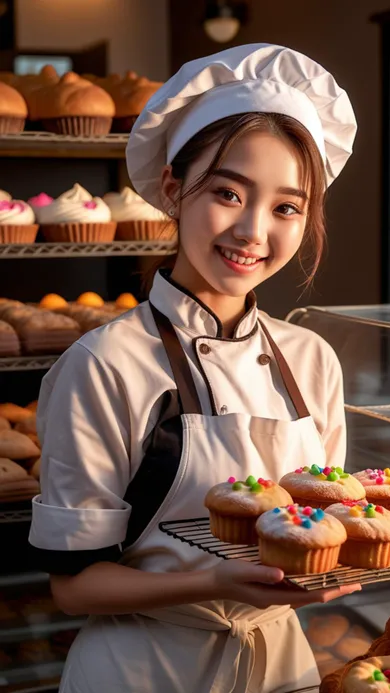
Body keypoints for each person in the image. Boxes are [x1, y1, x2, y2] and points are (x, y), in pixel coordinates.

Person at [29, 43, 359, 693]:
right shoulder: (103, 364)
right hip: (141, 668)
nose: (253, 232)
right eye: (228, 193)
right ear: (175, 189)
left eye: (286, 206)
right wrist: (212, 581)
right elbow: (72, 584)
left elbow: (328, 521)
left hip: (281, 669)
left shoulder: (311, 358)